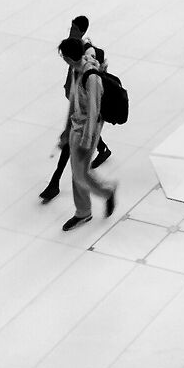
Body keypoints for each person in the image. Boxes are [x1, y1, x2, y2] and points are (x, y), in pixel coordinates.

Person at [39, 17, 112, 203]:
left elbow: (94, 108)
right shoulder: (76, 54)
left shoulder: (86, 55)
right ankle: (102, 149)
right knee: (77, 163)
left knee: (77, 165)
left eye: (74, 28)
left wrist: (86, 138)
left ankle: (56, 182)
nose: (71, 31)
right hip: (80, 111)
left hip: (86, 116)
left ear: (82, 31)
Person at [62, 39, 117, 231]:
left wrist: (86, 140)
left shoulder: (91, 77)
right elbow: (73, 101)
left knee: (81, 173)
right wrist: (66, 129)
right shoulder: (76, 70)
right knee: (77, 171)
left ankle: (107, 191)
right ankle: (83, 211)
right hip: (76, 125)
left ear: (69, 58)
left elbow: (94, 111)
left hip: (88, 129)